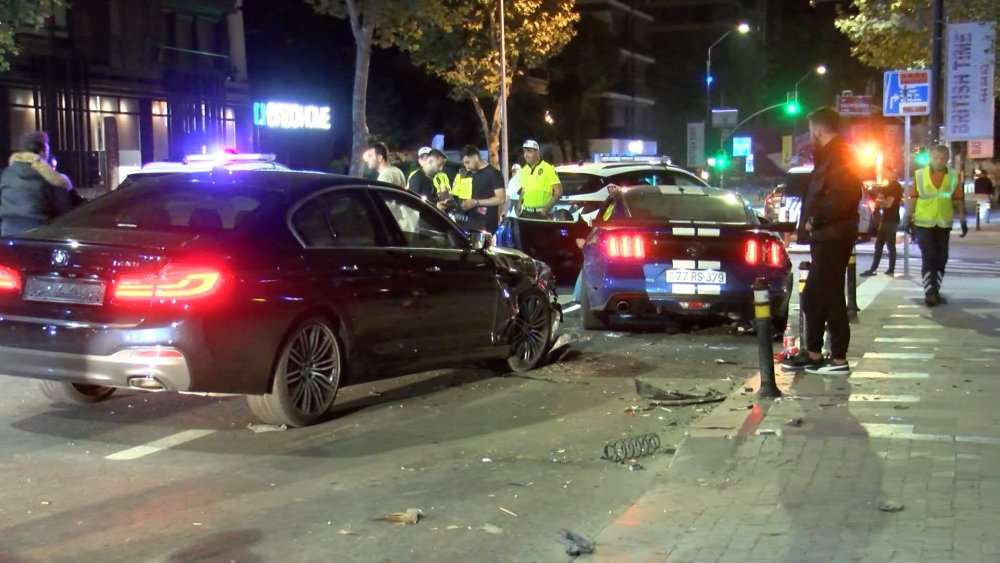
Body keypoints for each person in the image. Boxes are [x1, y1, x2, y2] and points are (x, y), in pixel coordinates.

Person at [780, 107, 861, 375]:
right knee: (820, 294)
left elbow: (842, 196)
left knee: (825, 295)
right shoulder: (830, 155)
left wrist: (816, 219)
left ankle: (837, 358)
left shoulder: (839, 156)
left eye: (811, 129)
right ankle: (814, 354)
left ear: (818, 128)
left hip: (833, 234)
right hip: (827, 235)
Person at [904, 144, 967, 307]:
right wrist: (908, 218)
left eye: (942, 158)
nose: (939, 161)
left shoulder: (952, 176)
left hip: (943, 224)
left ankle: (935, 290)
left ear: (947, 159)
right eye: (935, 158)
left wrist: (962, 219)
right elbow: (912, 198)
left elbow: (958, 200)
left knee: (941, 259)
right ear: (930, 158)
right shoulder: (919, 175)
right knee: (929, 256)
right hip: (923, 224)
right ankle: (929, 292)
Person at [1, 131, 75, 236]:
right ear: (42, 151)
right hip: (38, 231)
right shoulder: (49, 177)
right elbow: (64, 209)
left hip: (7, 229)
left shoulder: (7, 173)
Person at [861, 164, 904, 277]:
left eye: (885, 172)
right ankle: (873, 269)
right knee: (878, 245)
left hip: (892, 219)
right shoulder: (886, 187)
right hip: (884, 219)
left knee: (890, 245)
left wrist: (882, 201)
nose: (883, 174)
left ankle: (890, 269)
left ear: (891, 173)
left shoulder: (895, 186)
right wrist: (882, 201)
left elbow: (888, 204)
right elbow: (878, 202)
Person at [459, 145, 505, 232]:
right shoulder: (470, 174)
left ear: (475, 157)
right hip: (470, 221)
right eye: (464, 163)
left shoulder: (494, 173)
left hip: (486, 223)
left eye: (467, 162)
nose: (466, 167)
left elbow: (501, 199)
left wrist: (476, 202)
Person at [515, 140, 562, 219]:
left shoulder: (548, 168)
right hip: (526, 213)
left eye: (529, 151)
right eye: (524, 152)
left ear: (537, 152)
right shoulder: (524, 170)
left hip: (541, 214)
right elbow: (524, 189)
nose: (526, 155)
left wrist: (546, 209)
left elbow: (559, 191)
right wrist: (519, 205)